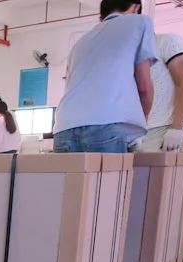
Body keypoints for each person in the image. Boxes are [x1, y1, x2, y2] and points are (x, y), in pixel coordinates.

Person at [53, 0, 159, 154]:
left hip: (64, 126)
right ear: (136, 8)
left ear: (101, 18)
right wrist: (140, 129)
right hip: (106, 125)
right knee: (109, 172)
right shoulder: (140, 22)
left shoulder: (79, 43)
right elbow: (144, 87)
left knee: (71, 172)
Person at [140, 33, 183, 152]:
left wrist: (177, 127)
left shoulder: (166, 41)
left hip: (161, 130)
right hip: (135, 134)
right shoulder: (127, 52)